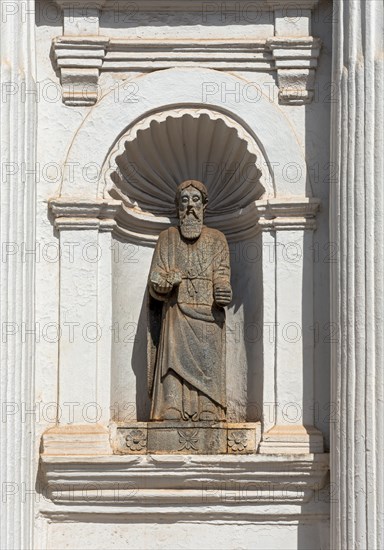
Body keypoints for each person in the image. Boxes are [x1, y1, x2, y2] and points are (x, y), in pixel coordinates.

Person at [147, 180, 232, 422]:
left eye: (195, 200)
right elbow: (155, 277)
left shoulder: (217, 239)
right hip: (176, 313)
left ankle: (209, 407)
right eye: (184, 200)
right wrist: (163, 283)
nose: (190, 206)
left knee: (208, 362)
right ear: (177, 207)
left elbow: (222, 273)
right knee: (173, 362)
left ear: (205, 205)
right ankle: (170, 407)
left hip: (208, 315)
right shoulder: (167, 238)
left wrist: (223, 289)